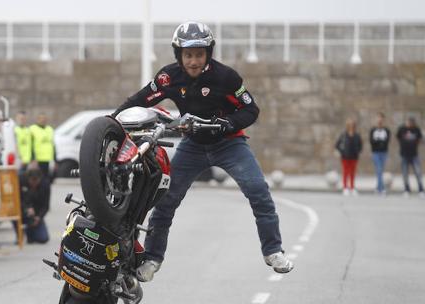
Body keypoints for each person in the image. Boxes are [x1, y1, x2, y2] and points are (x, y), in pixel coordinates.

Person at [112, 22, 293, 282]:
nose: (194, 61)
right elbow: (140, 99)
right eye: (188, 55)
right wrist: (111, 119)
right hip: (192, 146)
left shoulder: (227, 77)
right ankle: (152, 259)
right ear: (179, 55)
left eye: (199, 54)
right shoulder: (168, 77)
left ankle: (273, 250)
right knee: (165, 200)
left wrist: (230, 123)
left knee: (258, 191)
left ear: (208, 53)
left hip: (230, 143)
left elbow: (251, 110)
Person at [20, 167, 50, 244]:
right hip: (22, 211)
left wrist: (39, 217)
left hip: (36, 213)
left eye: (36, 181)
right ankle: (21, 233)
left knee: (43, 238)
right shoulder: (21, 181)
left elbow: (46, 206)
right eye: (32, 181)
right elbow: (18, 200)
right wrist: (27, 208)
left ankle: (31, 232)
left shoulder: (45, 185)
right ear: (28, 178)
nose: (34, 184)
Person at [396, 116, 424, 197]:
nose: (410, 124)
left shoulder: (416, 129)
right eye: (408, 122)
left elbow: (420, 139)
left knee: (418, 173)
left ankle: (421, 189)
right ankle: (406, 189)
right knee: (405, 173)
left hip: (414, 155)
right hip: (404, 155)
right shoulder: (402, 129)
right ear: (406, 122)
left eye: (411, 122)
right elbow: (398, 137)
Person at [335, 118, 363, 196]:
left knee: (352, 173)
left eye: (352, 125)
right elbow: (337, 145)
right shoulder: (343, 135)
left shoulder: (357, 135)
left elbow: (360, 145)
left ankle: (352, 187)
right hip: (345, 157)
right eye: (349, 125)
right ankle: (345, 187)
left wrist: (358, 151)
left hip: (354, 156)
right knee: (345, 172)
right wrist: (342, 152)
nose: (351, 126)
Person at [369, 112, 391, 195]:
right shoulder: (373, 130)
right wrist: (379, 142)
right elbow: (372, 141)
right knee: (379, 169)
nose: (379, 120)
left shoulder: (386, 130)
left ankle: (378, 188)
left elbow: (386, 141)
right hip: (375, 152)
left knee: (380, 170)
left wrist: (378, 141)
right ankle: (382, 188)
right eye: (378, 118)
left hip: (384, 152)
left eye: (381, 118)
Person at [29, 113, 55, 180]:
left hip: (48, 159)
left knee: (47, 179)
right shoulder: (32, 129)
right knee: (37, 179)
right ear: (37, 120)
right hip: (37, 160)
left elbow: (53, 145)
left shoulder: (50, 129)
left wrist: (55, 159)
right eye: (41, 119)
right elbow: (30, 145)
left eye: (44, 119)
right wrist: (33, 158)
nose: (43, 120)